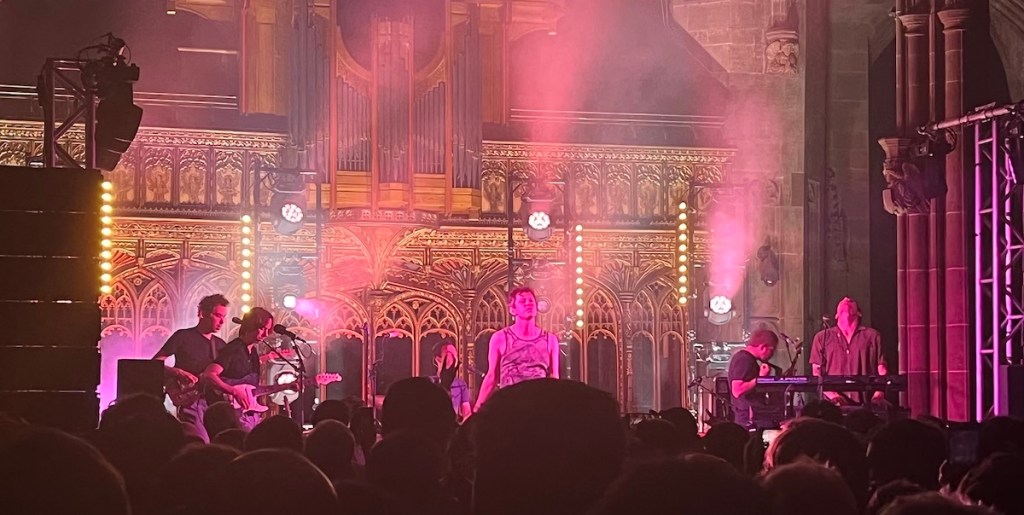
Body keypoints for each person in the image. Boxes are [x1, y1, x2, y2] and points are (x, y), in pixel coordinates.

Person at [152, 293, 230, 443]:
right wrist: (177, 372)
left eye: (224, 317)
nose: (221, 321)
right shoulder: (183, 336)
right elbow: (156, 362)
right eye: (217, 315)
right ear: (202, 313)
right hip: (189, 399)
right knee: (199, 440)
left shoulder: (220, 345)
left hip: (212, 402)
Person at [474, 286, 560, 410]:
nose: (528, 304)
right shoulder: (500, 338)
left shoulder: (550, 340)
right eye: (523, 301)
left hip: (538, 405)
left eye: (531, 301)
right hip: (509, 405)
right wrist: (477, 407)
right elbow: (492, 375)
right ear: (513, 310)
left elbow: (554, 378)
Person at [202, 307, 274, 431]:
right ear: (251, 325)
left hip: (248, 414)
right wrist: (234, 392)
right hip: (231, 416)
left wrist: (287, 386)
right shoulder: (234, 348)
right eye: (262, 329)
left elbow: (251, 389)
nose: (266, 335)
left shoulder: (253, 352)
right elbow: (209, 374)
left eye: (268, 330)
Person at [810, 297, 887, 405]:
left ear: (859, 313)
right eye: (842, 302)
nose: (846, 299)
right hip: (832, 408)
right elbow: (816, 372)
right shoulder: (822, 337)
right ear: (836, 315)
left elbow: (882, 369)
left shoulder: (873, 336)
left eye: (851, 301)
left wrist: (879, 393)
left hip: (865, 405)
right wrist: (834, 396)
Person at [727, 329, 780, 429]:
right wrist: (760, 379)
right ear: (763, 347)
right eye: (771, 350)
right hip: (748, 419)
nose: (772, 355)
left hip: (751, 417)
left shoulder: (747, 359)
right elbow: (737, 390)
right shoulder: (744, 359)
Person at [427, 338, 472, 422]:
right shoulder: (430, 383)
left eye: (454, 355)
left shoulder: (460, 384)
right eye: (449, 354)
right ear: (437, 359)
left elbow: (467, 412)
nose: (453, 359)